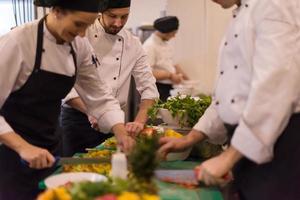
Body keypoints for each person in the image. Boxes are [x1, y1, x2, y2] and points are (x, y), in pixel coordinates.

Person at [159, 0, 300, 199]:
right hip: (248, 143)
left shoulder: (274, 4)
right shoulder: (243, 11)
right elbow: (231, 93)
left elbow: (276, 89)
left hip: (278, 143)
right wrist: (190, 138)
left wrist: (228, 157)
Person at [0, 0, 135, 199]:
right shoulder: (17, 42)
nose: (82, 34)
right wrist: (23, 147)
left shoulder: (79, 46)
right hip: (11, 150)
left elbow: (98, 95)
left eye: (87, 26)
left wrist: (120, 131)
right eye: (78, 24)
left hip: (50, 145)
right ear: (57, 11)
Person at [60, 0, 159, 156]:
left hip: (115, 119)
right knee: (78, 170)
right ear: (101, 12)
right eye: (112, 16)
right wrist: (93, 112)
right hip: (78, 118)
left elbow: (149, 88)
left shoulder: (133, 43)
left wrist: (139, 122)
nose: (118, 23)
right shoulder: (82, 36)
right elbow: (67, 85)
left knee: (112, 168)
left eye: (124, 17)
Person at [143, 16, 189, 102]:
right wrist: (171, 76)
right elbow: (147, 72)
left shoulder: (166, 44)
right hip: (158, 88)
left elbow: (173, 64)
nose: (174, 36)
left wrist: (187, 81)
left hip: (169, 87)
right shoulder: (149, 46)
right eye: (173, 33)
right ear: (165, 32)